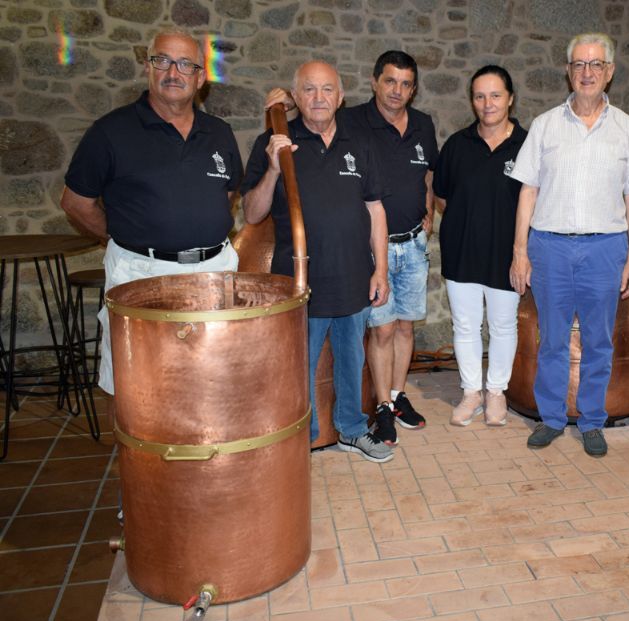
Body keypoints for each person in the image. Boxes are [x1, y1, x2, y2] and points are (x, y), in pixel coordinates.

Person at [60, 28, 241, 401]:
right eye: (163, 60)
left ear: (200, 77)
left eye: (185, 64)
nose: (173, 72)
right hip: (143, 274)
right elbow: (75, 202)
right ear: (148, 67)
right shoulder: (111, 132)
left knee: (212, 381)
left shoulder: (219, 133)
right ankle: (140, 460)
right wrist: (121, 237)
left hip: (213, 273)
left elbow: (229, 194)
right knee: (139, 388)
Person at [509, 33, 629, 457]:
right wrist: (520, 251)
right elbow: (528, 192)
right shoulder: (545, 126)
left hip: (605, 250)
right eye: (579, 64)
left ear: (609, 72)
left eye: (596, 65)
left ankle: (592, 420)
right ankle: (552, 418)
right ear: (568, 71)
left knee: (598, 341)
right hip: (550, 247)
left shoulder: (628, 130)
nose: (587, 73)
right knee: (552, 339)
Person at [241, 61, 394, 464]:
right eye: (309, 90)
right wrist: (274, 169)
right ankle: (298, 440)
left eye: (327, 90)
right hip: (298, 282)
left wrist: (380, 269)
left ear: (340, 97)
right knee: (297, 367)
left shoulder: (359, 144)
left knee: (350, 360)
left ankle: (352, 430)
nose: (319, 98)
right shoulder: (275, 143)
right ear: (296, 98)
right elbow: (252, 214)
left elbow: (376, 209)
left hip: (353, 276)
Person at [433, 65, 527, 427]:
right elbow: (442, 197)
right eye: (479, 96)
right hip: (462, 251)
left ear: (510, 99)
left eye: (495, 95)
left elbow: (535, 201)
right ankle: (471, 391)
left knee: (503, 326)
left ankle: (496, 392)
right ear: (472, 100)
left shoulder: (527, 144)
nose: (487, 103)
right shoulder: (457, 145)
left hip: (507, 256)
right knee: (466, 326)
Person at [352, 51, 438, 444]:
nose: (397, 91)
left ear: (414, 89)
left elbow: (429, 174)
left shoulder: (423, 124)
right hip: (376, 250)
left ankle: (399, 396)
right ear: (374, 81)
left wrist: (430, 210)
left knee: (405, 326)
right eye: (390, 81)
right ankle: (382, 406)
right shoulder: (353, 122)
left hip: (414, 245)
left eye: (405, 84)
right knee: (382, 330)